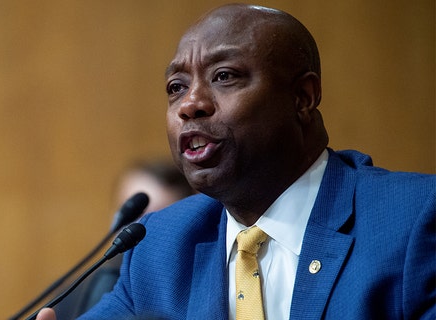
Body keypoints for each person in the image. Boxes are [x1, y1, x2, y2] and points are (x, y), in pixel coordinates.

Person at [37, 3, 436, 319]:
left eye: (224, 76)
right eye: (176, 87)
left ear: (303, 98)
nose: (190, 104)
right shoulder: (159, 246)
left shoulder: (413, 219)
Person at [53, 159, 195, 319]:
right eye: (133, 212)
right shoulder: (75, 294)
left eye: (157, 217)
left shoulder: (198, 290)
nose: (137, 226)